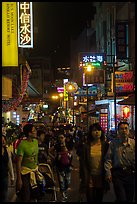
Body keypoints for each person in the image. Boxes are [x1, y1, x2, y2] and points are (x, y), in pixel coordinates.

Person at [104, 121, 135, 202]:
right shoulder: (113, 144)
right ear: (118, 131)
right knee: (121, 197)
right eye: (121, 129)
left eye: (126, 128)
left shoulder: (133, 143)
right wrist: (108, 173)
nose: (124, 131)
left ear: (129, 130)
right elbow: (108, 159)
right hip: (118, 174)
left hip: (131, 174)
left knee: (130, 198)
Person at [79, 123, 110, 202]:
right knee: (90, 198)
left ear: (101, 132)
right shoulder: (86, 146)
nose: (96, 132)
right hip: (89, 177)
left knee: (99, 198)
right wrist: (82, 178)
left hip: (101, 176)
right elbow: (83, 163)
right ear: (90, 133)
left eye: (98, 130)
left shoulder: (105, 145)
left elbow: (109, 160)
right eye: (94, 130)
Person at [16, 123, 44, 202]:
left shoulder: (35, 142)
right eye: (34, 131)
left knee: (38, 194)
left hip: (35, 171)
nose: (36, 132)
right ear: (29, 133)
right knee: (26, 195)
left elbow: (36, 156)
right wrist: (19, 179)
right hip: (25, 173)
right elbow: (18, 162)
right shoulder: (22, 145)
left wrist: (38, 166)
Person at [55, 134, 73, 202]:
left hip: (68, 166)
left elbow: (71, 154)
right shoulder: (57, 145)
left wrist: (69, 155)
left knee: (67, 181)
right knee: (61, 181)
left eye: (62, 137)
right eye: (59, 138)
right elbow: (50, 150)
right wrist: (55, 157)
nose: (61, 139)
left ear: (64, 138)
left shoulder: (68, 145)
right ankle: (63, 194)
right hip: (60, 167)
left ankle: (65, 191)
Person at [2, 135, 15, 202]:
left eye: (4, 140)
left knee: (4, 195)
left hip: (4, 176)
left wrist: (12, 177)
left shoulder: (7, 151)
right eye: (2, 140)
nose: (3, 141)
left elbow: (10, 164)